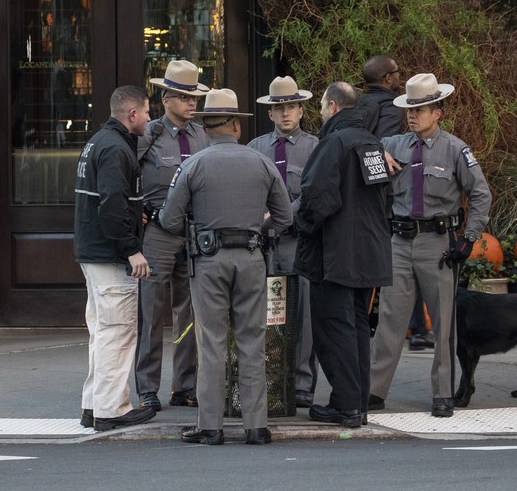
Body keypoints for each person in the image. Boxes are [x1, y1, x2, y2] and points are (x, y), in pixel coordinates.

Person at [159, 88, 293, 446]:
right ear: (236, 125)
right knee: (252, 342)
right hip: (251, 258)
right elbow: (284, 216)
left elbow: (170, 219)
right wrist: (256, 229)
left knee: (212, 344)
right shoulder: (261, 162)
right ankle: (256, 426)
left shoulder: (194, 164)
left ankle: (211, 426)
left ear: (206, 126)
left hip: (209, 261)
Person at [369, 73, 492, 418]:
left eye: (420, 109)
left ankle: (442, 394)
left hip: (438, 243)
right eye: (410, 108)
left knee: (443, 323)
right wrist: (377, 152)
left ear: (437, 112)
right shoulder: (394, 145)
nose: (413, 114)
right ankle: (375, 391)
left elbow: (481, 193)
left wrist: (469, 239)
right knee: (390, 321)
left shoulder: (455, 149)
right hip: (399, 241)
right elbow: (361, 148)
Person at [294, 81, 392, 428]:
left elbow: (317, 196)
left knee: (333, 330)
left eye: (321, 107)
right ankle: (355, 402)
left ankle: (346, 406)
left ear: (333, 107)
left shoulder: (333, 142)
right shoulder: (372, 144)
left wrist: (301, 226)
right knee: (357, 329)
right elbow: (386, 199)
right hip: (370, 254)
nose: (320, 114)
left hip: (335, 255)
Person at [73, 85, 157, 432]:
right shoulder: (115, 148)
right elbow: (111, 205)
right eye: (148, 112)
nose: (151, 118)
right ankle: (111, 409)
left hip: (93, 252)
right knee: (118, 332)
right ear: (132, 114)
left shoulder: (98, 142)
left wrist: (134, 211)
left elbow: (110, 201)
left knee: (102, 331)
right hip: (109, 256)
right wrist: (132, 249)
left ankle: (94, 406)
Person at [136, 60, 210, 412]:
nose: (191, 102)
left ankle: (185, 386)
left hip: (193, 232)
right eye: (183, 96)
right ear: (166, 99)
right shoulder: (149, 134)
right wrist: (136, 211)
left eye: (194, 96)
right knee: (151, 312)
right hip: (159, 234)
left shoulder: (201, 136)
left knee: (190, 313)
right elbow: (125, 173)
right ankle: (147, 387)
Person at [246, 76, 319, 408]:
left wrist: (280, 215)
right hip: (261, 244)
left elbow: (314, 194)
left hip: (297, 241)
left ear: (301, 110)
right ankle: (268, 378)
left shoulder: (315, 148)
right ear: (270, 114)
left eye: (291, 106)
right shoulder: (255, 149)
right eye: (279, 108)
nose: (286, 113)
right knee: (263, 312)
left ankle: (302, 381)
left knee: (302, 313)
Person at [360, 57, 433, 351]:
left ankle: (367, 324)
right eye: (398, 74)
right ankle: (417, 330)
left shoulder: (361, 105)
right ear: (389, 78)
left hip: (362, 195)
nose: (400, 77)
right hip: (386, 198)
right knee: (401, 264)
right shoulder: (390, 106)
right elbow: (385, 142)